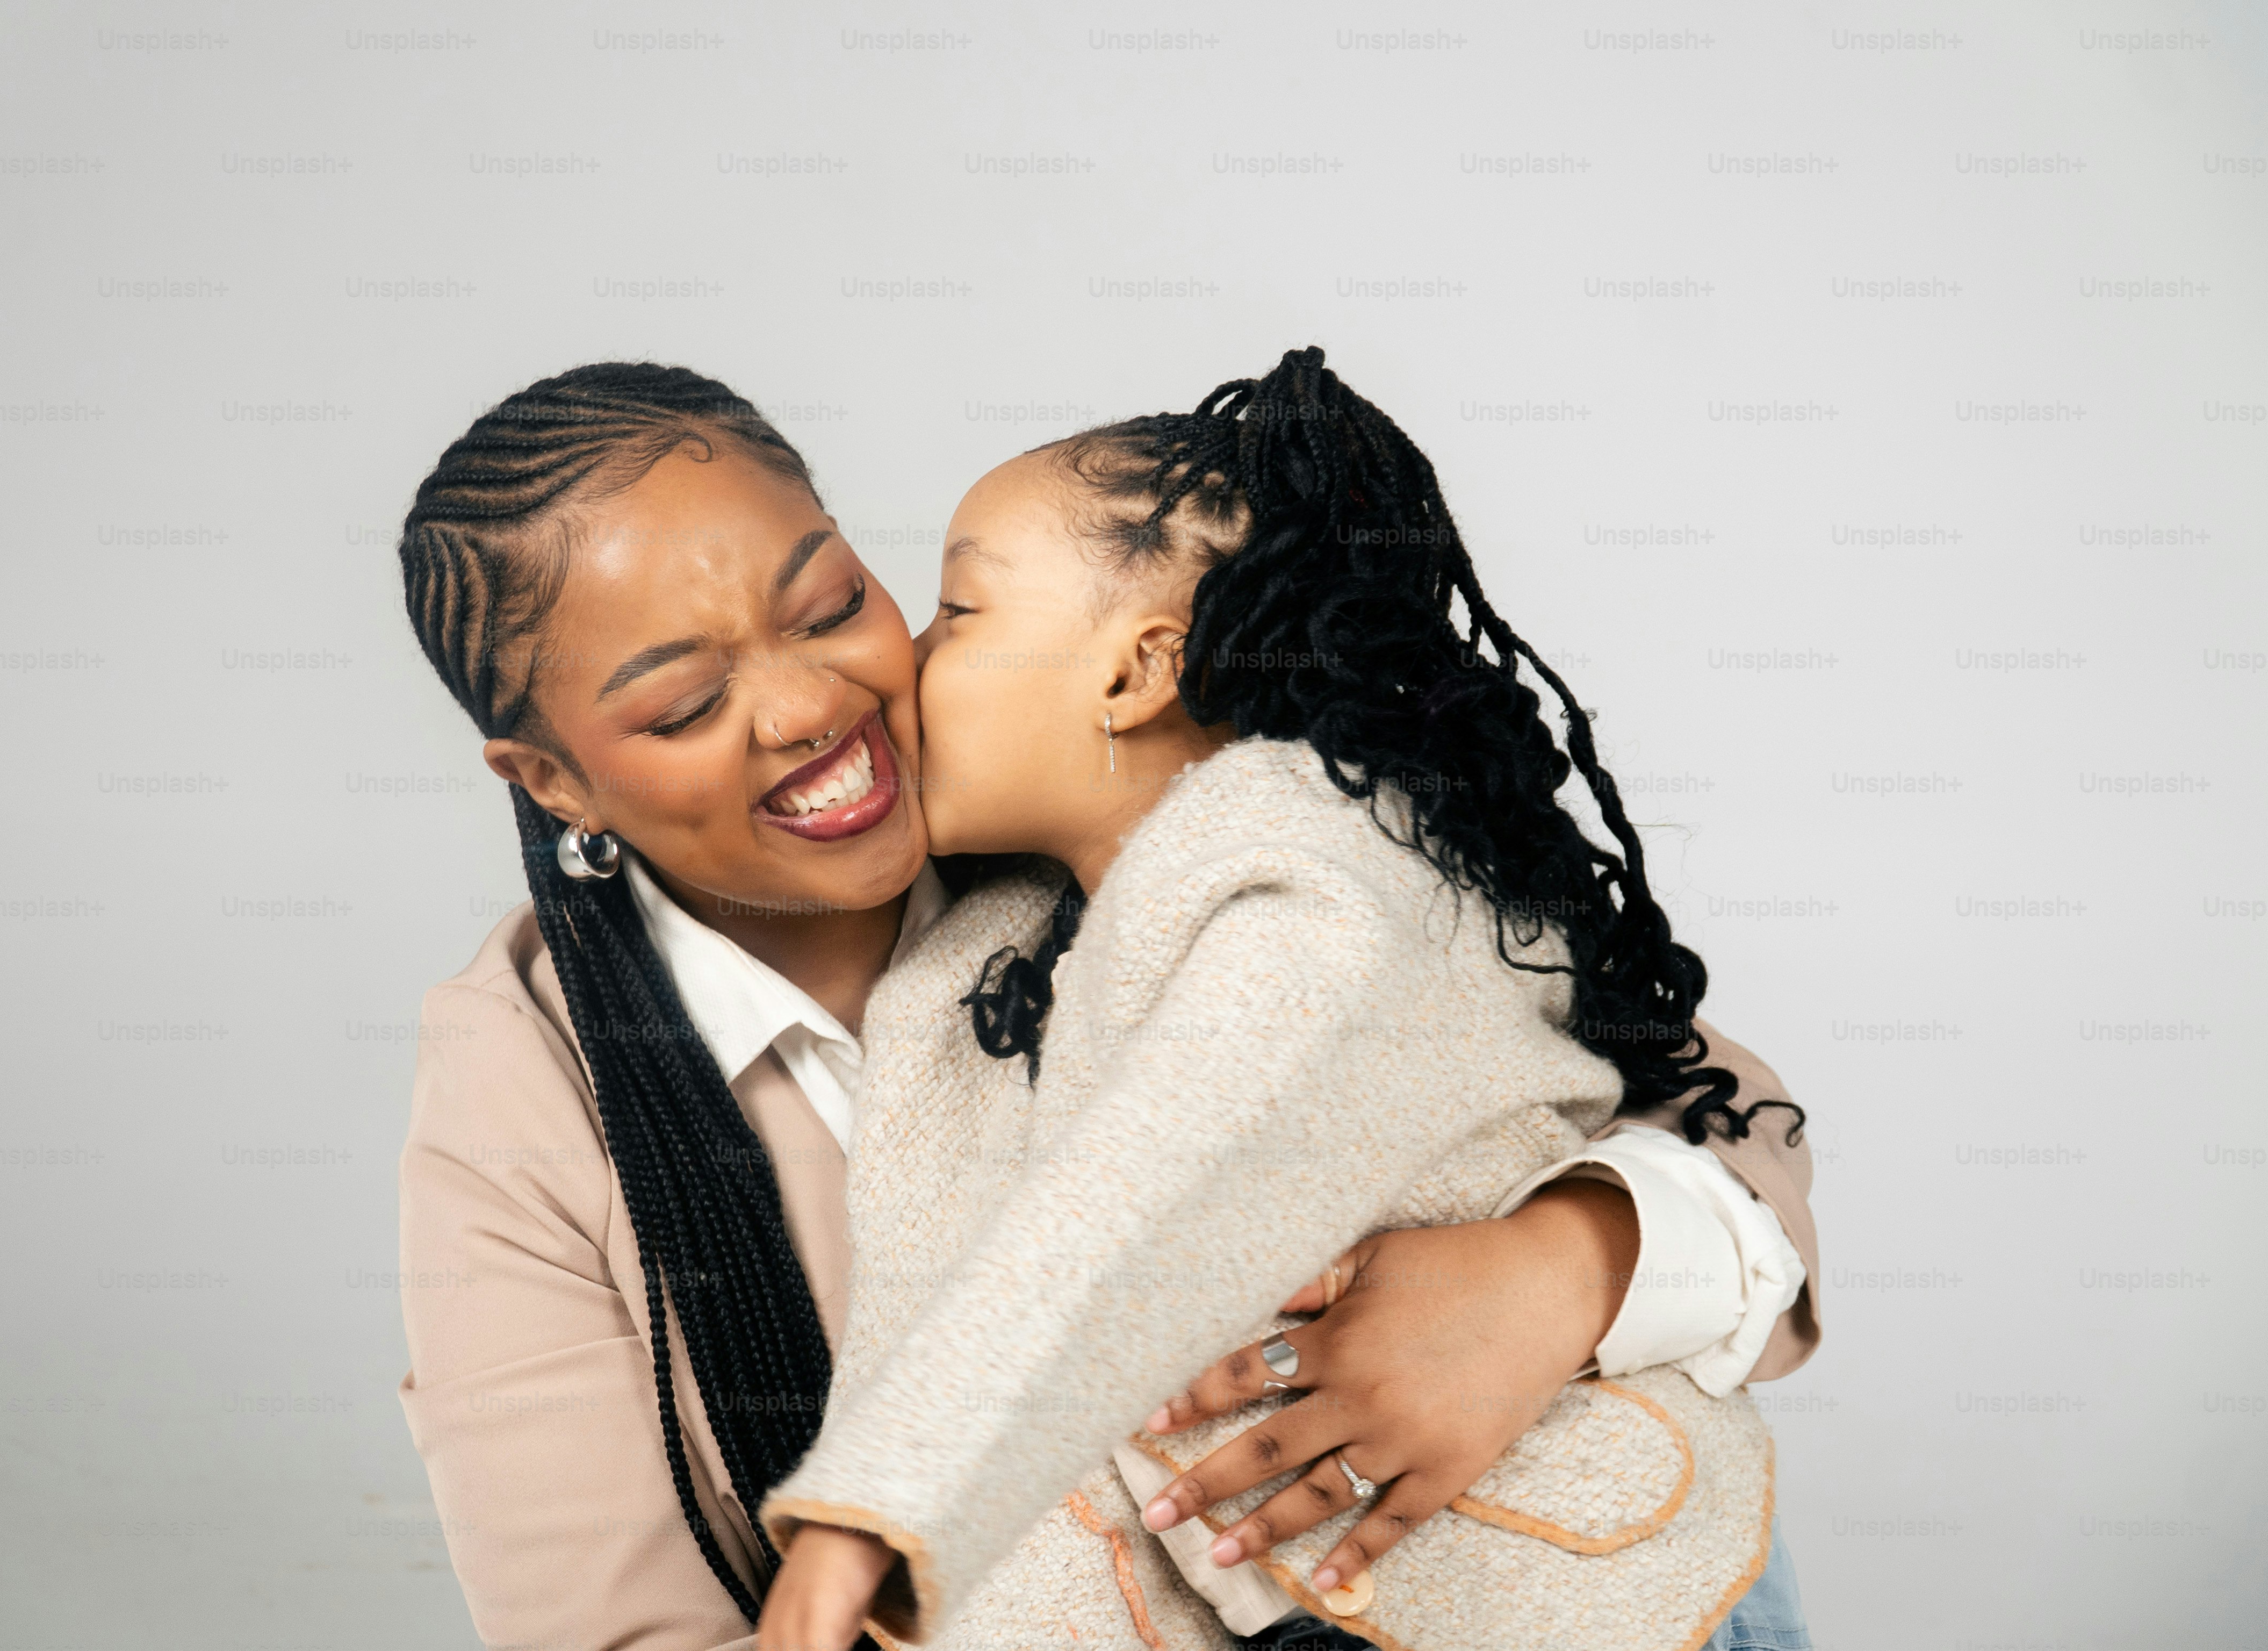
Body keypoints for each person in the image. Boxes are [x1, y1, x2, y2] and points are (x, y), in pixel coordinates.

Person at [389, 361, 1820, 1650]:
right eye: (683, 706)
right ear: (554, 780)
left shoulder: (1124, 821)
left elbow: (1686, 1092)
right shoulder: (530, 1088)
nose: (810, 708)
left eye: (831, 608)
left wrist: (1568, 1267)